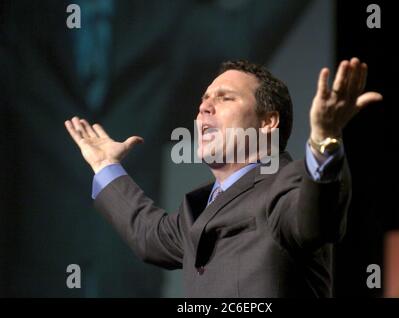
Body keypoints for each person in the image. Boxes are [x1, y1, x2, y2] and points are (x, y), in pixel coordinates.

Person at [65, 58, 382, 297]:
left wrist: (325, 141)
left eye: (225, 97)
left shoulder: (287, 183)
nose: (204, 106)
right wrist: (105, 165)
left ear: (268, 121)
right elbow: (147, 234)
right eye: (203, 100)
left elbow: (318, 219)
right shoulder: (199, 207)